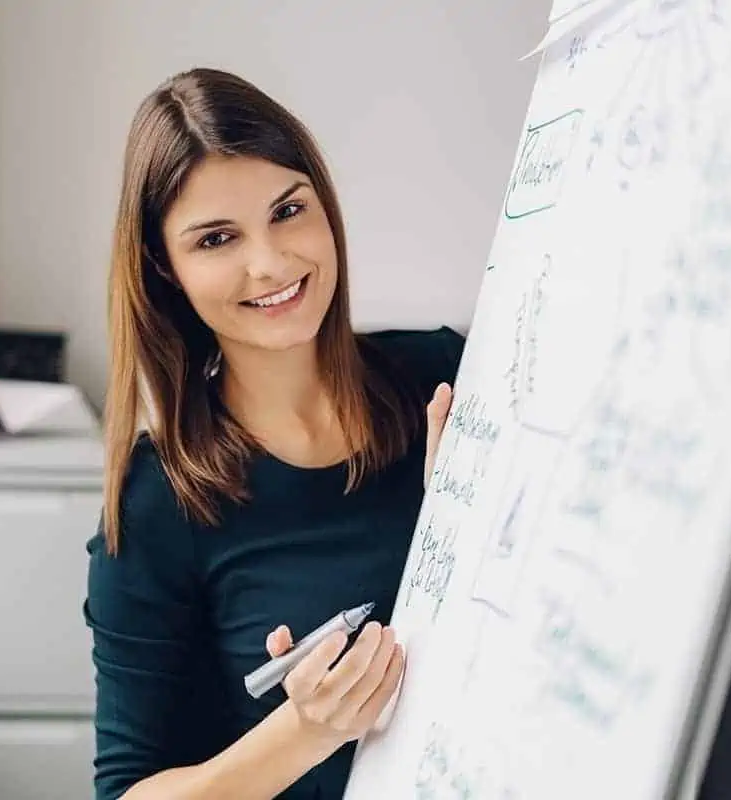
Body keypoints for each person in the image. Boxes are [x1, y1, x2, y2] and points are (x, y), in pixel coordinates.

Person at [82, 66, 465, 800]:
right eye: (218, 238)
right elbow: (125, 792)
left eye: (288, 211)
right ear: (166, 269)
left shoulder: (448, 383)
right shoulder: (158, 501)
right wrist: (305, 732)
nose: (271, 263)